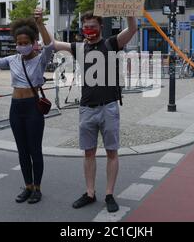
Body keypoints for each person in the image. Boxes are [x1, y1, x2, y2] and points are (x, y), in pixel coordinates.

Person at [53, 11, 138, 213]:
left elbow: (133, 29)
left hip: (108, 106)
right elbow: (53, 44)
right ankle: (90, 193)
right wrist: (39, 25)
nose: (89, 30)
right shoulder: (80, 48)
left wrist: (129, 10)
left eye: (93, 26)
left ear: (101, 27)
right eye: (86, 27)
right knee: (88, 152)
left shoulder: (111, 43)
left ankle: (109, 194)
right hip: (86, 108)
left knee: (111, 152)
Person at [0, 9, 53, 204]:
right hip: (16, 108)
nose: (22, 46)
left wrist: (40, 23)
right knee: (22, 150)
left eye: (26, 43)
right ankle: (27, 186)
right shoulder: (12, 60)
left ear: (33, 42)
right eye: (19, 43)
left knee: (35, 150)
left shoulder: (41, 58)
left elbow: (50, 45)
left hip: (33, 107)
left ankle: (37, 188)